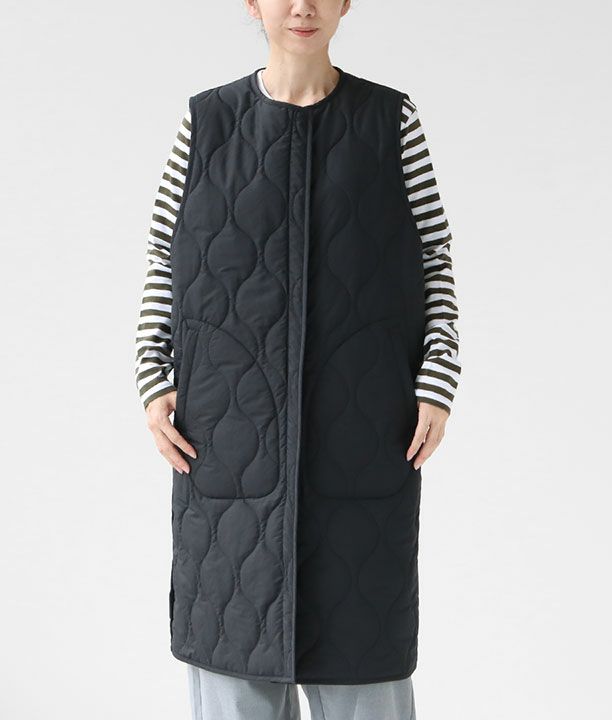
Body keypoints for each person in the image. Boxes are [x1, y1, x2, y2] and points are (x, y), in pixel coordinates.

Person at [134, 1, 461, 718]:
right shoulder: (206, 121)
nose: (303, 7)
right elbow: (164, 254)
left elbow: (433, 255)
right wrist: (152, 378)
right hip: (226, 448)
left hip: (363, 440)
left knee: (365, 666)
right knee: (234, 664)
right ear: (254, 4)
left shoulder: (390, 120)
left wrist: (438, 380)